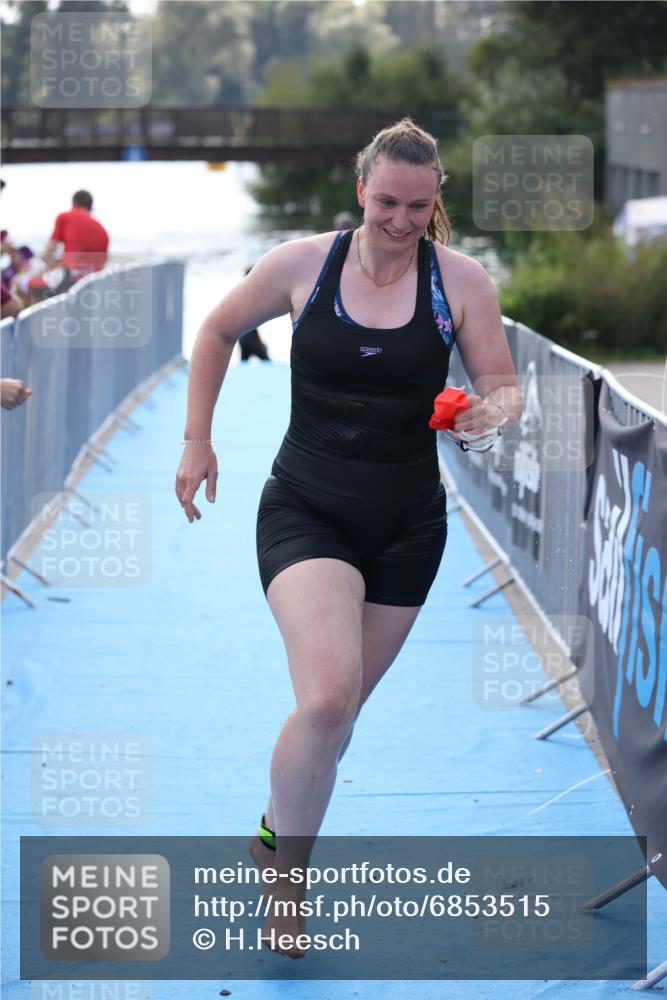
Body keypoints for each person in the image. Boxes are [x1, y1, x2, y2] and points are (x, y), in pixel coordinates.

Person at [175, 118, 523, 958]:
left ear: (435, 200)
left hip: (407, 525)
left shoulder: (461, 282)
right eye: (385, 203)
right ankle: (286, 881)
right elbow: (218, 329)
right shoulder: (304, 264)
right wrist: (197, 438)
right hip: (306, 507)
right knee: (328, 698)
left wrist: (484, 419)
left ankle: (270, 833)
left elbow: (503, 386)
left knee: (335, 718)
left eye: (417, 205)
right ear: (359, 192)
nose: (400, 220)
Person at [40, 190, 109, 288]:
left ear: (73, 203)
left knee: (23, 283)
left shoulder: (64, 217)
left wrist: (54, 265)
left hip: (70, 278)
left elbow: (46, 255)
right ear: (90, 206)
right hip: (94, 283)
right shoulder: (102, 230)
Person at [237, 267, 271, 362]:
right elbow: (251, 326)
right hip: (249, 339)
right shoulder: (251, 296)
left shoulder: (241, 294)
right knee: (267, 361)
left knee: (244, 363)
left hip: (243, 337)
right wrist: (259, 343)